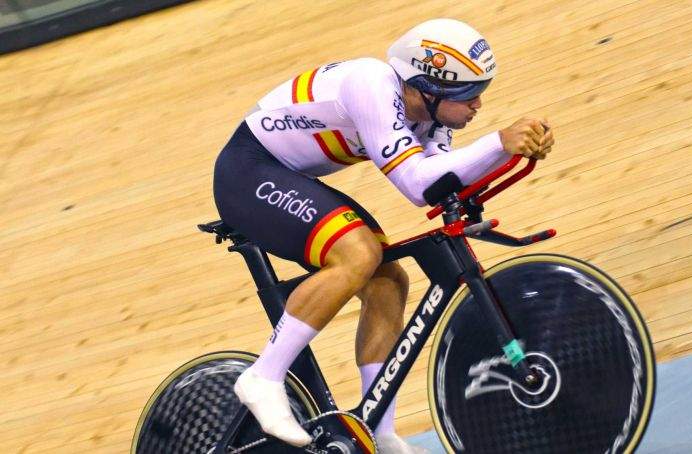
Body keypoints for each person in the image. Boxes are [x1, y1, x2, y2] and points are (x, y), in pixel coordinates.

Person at [213, 18, 554, 452]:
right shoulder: (371, 84)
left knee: (388, 281)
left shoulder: (432, 117)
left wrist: (513, 152)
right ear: (428, 89)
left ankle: (377, 431)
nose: (478, 104)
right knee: (358, 254)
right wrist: (498, 143)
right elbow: (417, 185)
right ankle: (263, 377)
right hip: (248, 173)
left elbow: (443, 180)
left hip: (288, 176)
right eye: (467, 93)